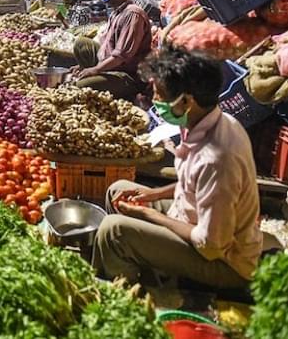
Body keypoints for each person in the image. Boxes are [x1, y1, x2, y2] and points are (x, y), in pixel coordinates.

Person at [93, 46, 262, 289]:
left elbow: (211, 245)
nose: (154, 100)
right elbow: (192, 182)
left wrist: (149, 214)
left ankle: (132, 296)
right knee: (118, 190)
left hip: (226, 263)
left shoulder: (217, 158)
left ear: (186, 101)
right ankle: (149, 268)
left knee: (114, 231)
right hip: (191, 219)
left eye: (159, 94)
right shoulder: (205, 121)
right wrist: (154, 194)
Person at [72, 0, 152, 101]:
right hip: (111, 64)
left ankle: (126, 91)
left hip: (127, 74)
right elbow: (106, 46)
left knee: (82, 85)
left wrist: (95, 70)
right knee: (81, 43)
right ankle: (96, 73)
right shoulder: (116, 11)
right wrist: (84, 66)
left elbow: (121, 56)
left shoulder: (132, 14)